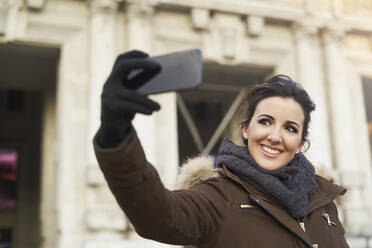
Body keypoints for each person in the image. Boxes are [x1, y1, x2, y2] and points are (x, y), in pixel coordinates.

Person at [93, 50, 350, 248]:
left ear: (301, 143)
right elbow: (157, 214)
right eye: (265, 122)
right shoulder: (218, 196)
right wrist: (115, 135)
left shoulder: (322, 200)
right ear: (246, 129)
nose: (274, 136)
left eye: (290, 128)